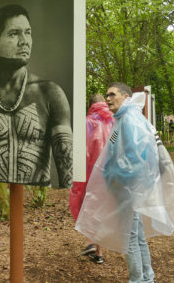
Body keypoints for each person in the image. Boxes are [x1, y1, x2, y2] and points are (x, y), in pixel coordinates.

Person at [76, 83, 174, 282]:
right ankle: (147, 278)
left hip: (127, 188)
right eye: (107, 95)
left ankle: (138, 279)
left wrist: (116, 180)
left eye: (112, 94)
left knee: (130, 238)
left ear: (126, 96)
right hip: (128, 187)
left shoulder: (129, 120)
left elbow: (135, 158)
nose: (108, 99)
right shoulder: (124, 118)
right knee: (137, 235)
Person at [0, 4, 73, 188]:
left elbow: (68, 173)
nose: (24, 41)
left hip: (37, 204)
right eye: (14, 33)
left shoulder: (51, 94)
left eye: (28, 32)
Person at [69, 94, 115, 264]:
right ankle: (97, 250)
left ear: (90, 105)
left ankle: (93, 245)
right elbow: (114, 146)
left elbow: (82, 150)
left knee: (86, 206)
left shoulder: (87, 122)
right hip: (108, 173)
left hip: (89, 173)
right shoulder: (113, 122)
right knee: (100, 208)